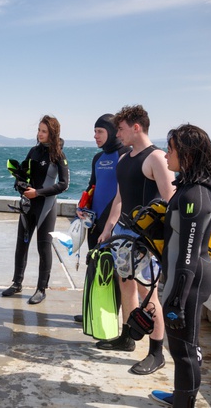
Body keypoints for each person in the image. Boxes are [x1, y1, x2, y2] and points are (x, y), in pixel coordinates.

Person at [97, 104, 175, 375]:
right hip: (124, 233)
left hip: (147, 238)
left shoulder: (157, 158)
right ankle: (128, 337)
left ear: (137, 127)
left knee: (148, 292)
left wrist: (162, 243)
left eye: (120, 129)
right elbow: (119, 198)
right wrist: (109, 228)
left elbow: (170, 202)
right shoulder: (124, 159)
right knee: (126, 285)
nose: (117, 134)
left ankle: (156, 352)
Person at [150, 124, 211, 407]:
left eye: (170, 149)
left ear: (188, 154)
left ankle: (184, 403)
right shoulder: (186, 188)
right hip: (183, 277)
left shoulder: (195, 195)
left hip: (190, 279)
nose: (165, 154)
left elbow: (189, 253)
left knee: (185, 350)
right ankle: (181, 396)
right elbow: (177, 236)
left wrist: (177, 300)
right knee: (181, 345)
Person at [1, 115, 70, 304]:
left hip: (45, 206)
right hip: (28, 205)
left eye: (44, 131)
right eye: (39, 130)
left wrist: (38, 193)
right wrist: (20, 183)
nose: (40, 134)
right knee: (21, 245)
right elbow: (24, 173)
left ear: (52, 133)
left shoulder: (58, 155)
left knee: (43, 247)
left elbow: (64, 184)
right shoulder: (33, 151)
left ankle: (41, 289)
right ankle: (17, 283)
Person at [73, 113, 131, 322]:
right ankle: (92, 311)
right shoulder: (97, 158)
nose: (95, 136)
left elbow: (122, 194)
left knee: (112, 271)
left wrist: (108, 222)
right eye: (94, 132)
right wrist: (82, 207)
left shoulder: (125, 154)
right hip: (94, 222)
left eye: (100, 131)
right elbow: (92, 186)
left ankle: (109, 315)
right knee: (93, 266)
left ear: (113, 131)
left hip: (113, 225)